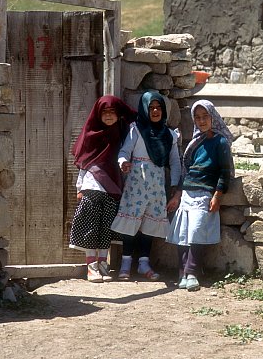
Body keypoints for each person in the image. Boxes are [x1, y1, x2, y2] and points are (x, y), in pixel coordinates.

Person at [111, 90, 182, 281]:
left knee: (149, 224)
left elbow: (175, 161)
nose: (156, 111)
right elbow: (124, 152)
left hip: (157, 185)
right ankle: (125, 263)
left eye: (159, 107)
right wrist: (124, 163)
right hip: (136, 182)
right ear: (144, 109)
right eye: (151, 108)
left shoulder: (169, 135)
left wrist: (175, 185)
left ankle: (143, 263)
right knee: (130, 222)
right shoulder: (136, 129)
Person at [166, 100, 234, 291]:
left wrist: (218, 195)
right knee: (182, 234)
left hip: (205, 194)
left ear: (213, 117)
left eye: (205, 117)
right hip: (187, 193)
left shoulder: (220, 142)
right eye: (198, 117)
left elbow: (224, 171)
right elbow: (186, 172)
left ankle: (192, 272)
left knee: (196, 231)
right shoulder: (195, 143)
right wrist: (177, 195)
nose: (201, 121)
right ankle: (182, 274)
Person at [69, 95, 137, 283]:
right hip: (91, 185)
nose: (108, 116)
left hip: (113, 186)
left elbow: (133, 118)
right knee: (90, 225)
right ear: (98, 114)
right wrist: (79, 187)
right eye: (104, 112)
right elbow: (83, 162)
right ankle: (91, 266)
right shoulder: (91, 133)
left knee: (107, 225)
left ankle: (103, 264)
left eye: (112, 112)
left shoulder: (121, 131)